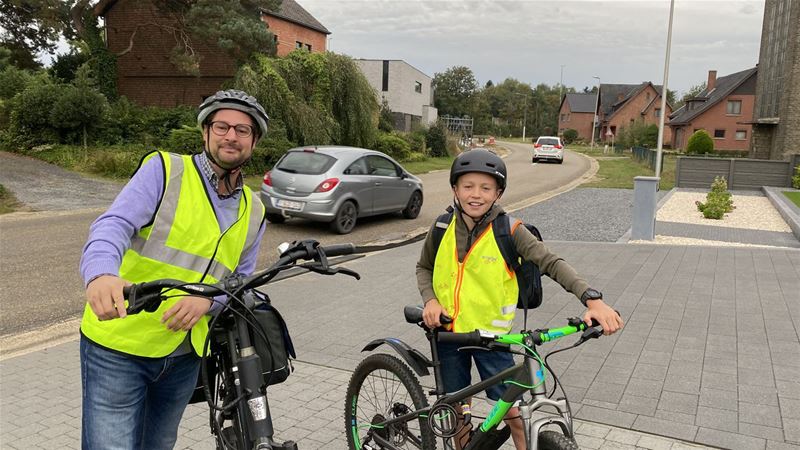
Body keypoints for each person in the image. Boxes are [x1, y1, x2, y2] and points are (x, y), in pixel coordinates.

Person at [79, 89, 269, 450]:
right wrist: (101, 272)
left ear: (254, 141)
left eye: (243, 130)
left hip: (183, 355)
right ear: (205, 132)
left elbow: (241, 279)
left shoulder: (254, 209)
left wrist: (209, 302)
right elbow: (113, 225)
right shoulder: (166, 171)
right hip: (119, 346)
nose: (231, 135)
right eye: (222, 126)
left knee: (159, 444)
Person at [416, 149, 624, 449]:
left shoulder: (509, 230)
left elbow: (550, 262)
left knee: (517, 416)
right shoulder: (440, 227)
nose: (476, 195)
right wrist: (430, 300)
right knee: (458, 411)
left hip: (493, 339)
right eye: (468, 186)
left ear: (498, 193)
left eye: (486, 188)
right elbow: (424, 268)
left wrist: (592, 299)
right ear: (455, 189)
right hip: (448, 334)